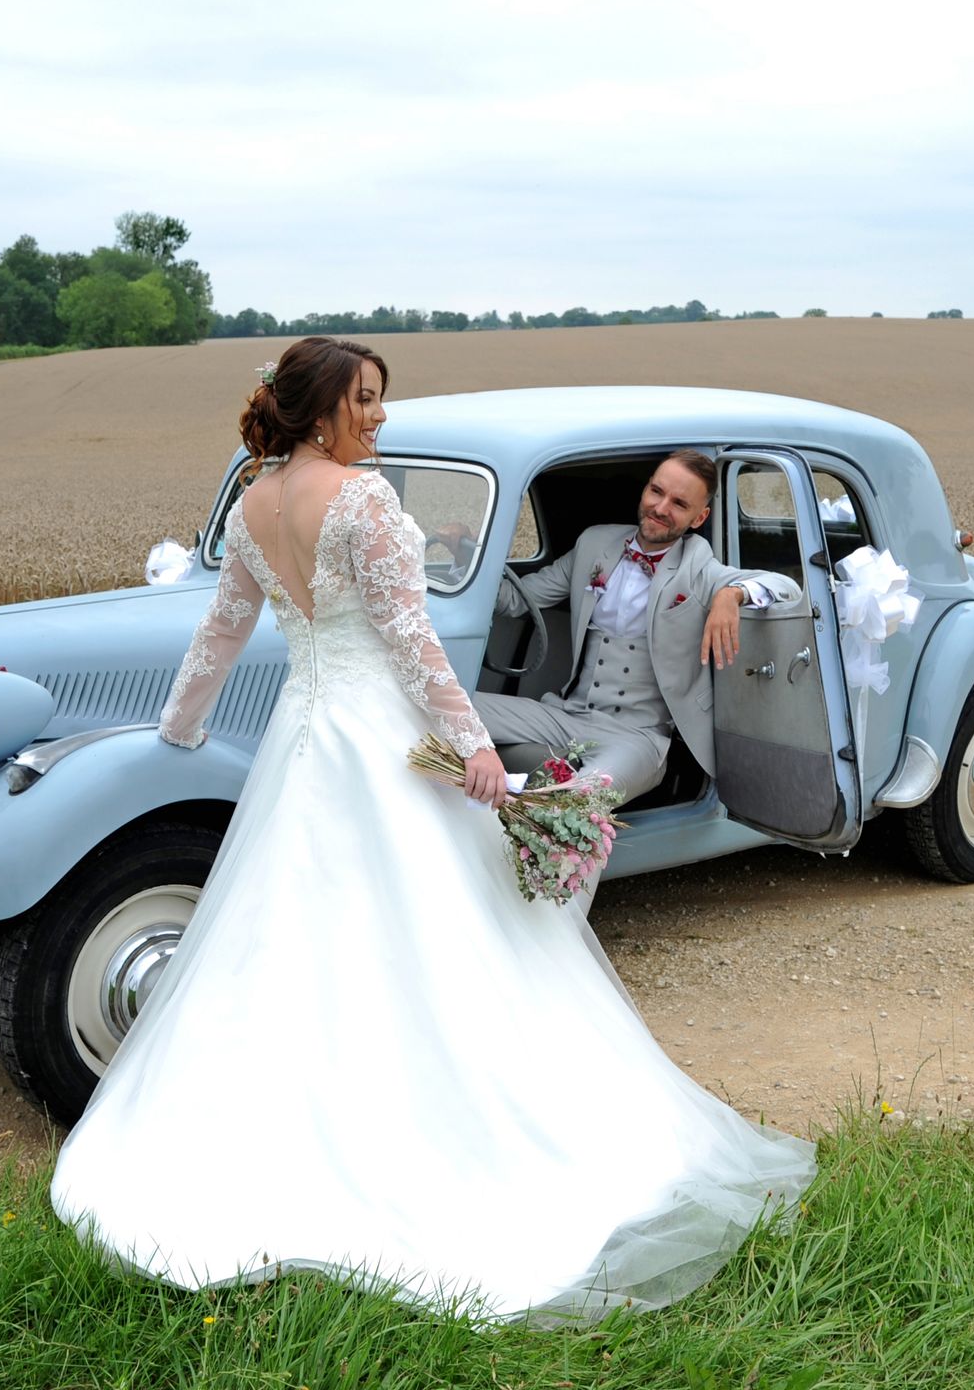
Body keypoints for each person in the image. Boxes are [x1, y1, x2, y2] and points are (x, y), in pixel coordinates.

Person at [50, 336, 816, 1325]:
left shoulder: (253, 502)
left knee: (288, 917)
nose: (379, 417)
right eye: (366, 400)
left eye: (380, 398)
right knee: (439, 924)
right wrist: (476, 748)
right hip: (378, 732)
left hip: (302, 737)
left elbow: (222, 630)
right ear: (324, 408)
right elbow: (412, 644)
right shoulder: (363, 500)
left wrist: (180, 729)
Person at [468, 453, 803, 807]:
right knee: (446, 708)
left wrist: (731, 594)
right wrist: (467, 554)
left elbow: (788, 588)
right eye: (656, 491)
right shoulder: (595, 544)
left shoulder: (698, 566)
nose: (660, 508)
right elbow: (517, 600)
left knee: (578, 804)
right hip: (567, 713)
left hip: (638, 737)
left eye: (679, 503)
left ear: (698, 518)